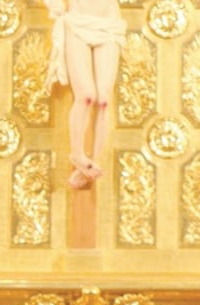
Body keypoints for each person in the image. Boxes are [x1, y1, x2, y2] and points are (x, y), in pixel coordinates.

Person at [44, 0, 126, 189]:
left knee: (104, 99)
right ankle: (77, 153)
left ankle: (91, 164)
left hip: (109, 24)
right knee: (86, 95)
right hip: (77, 22)